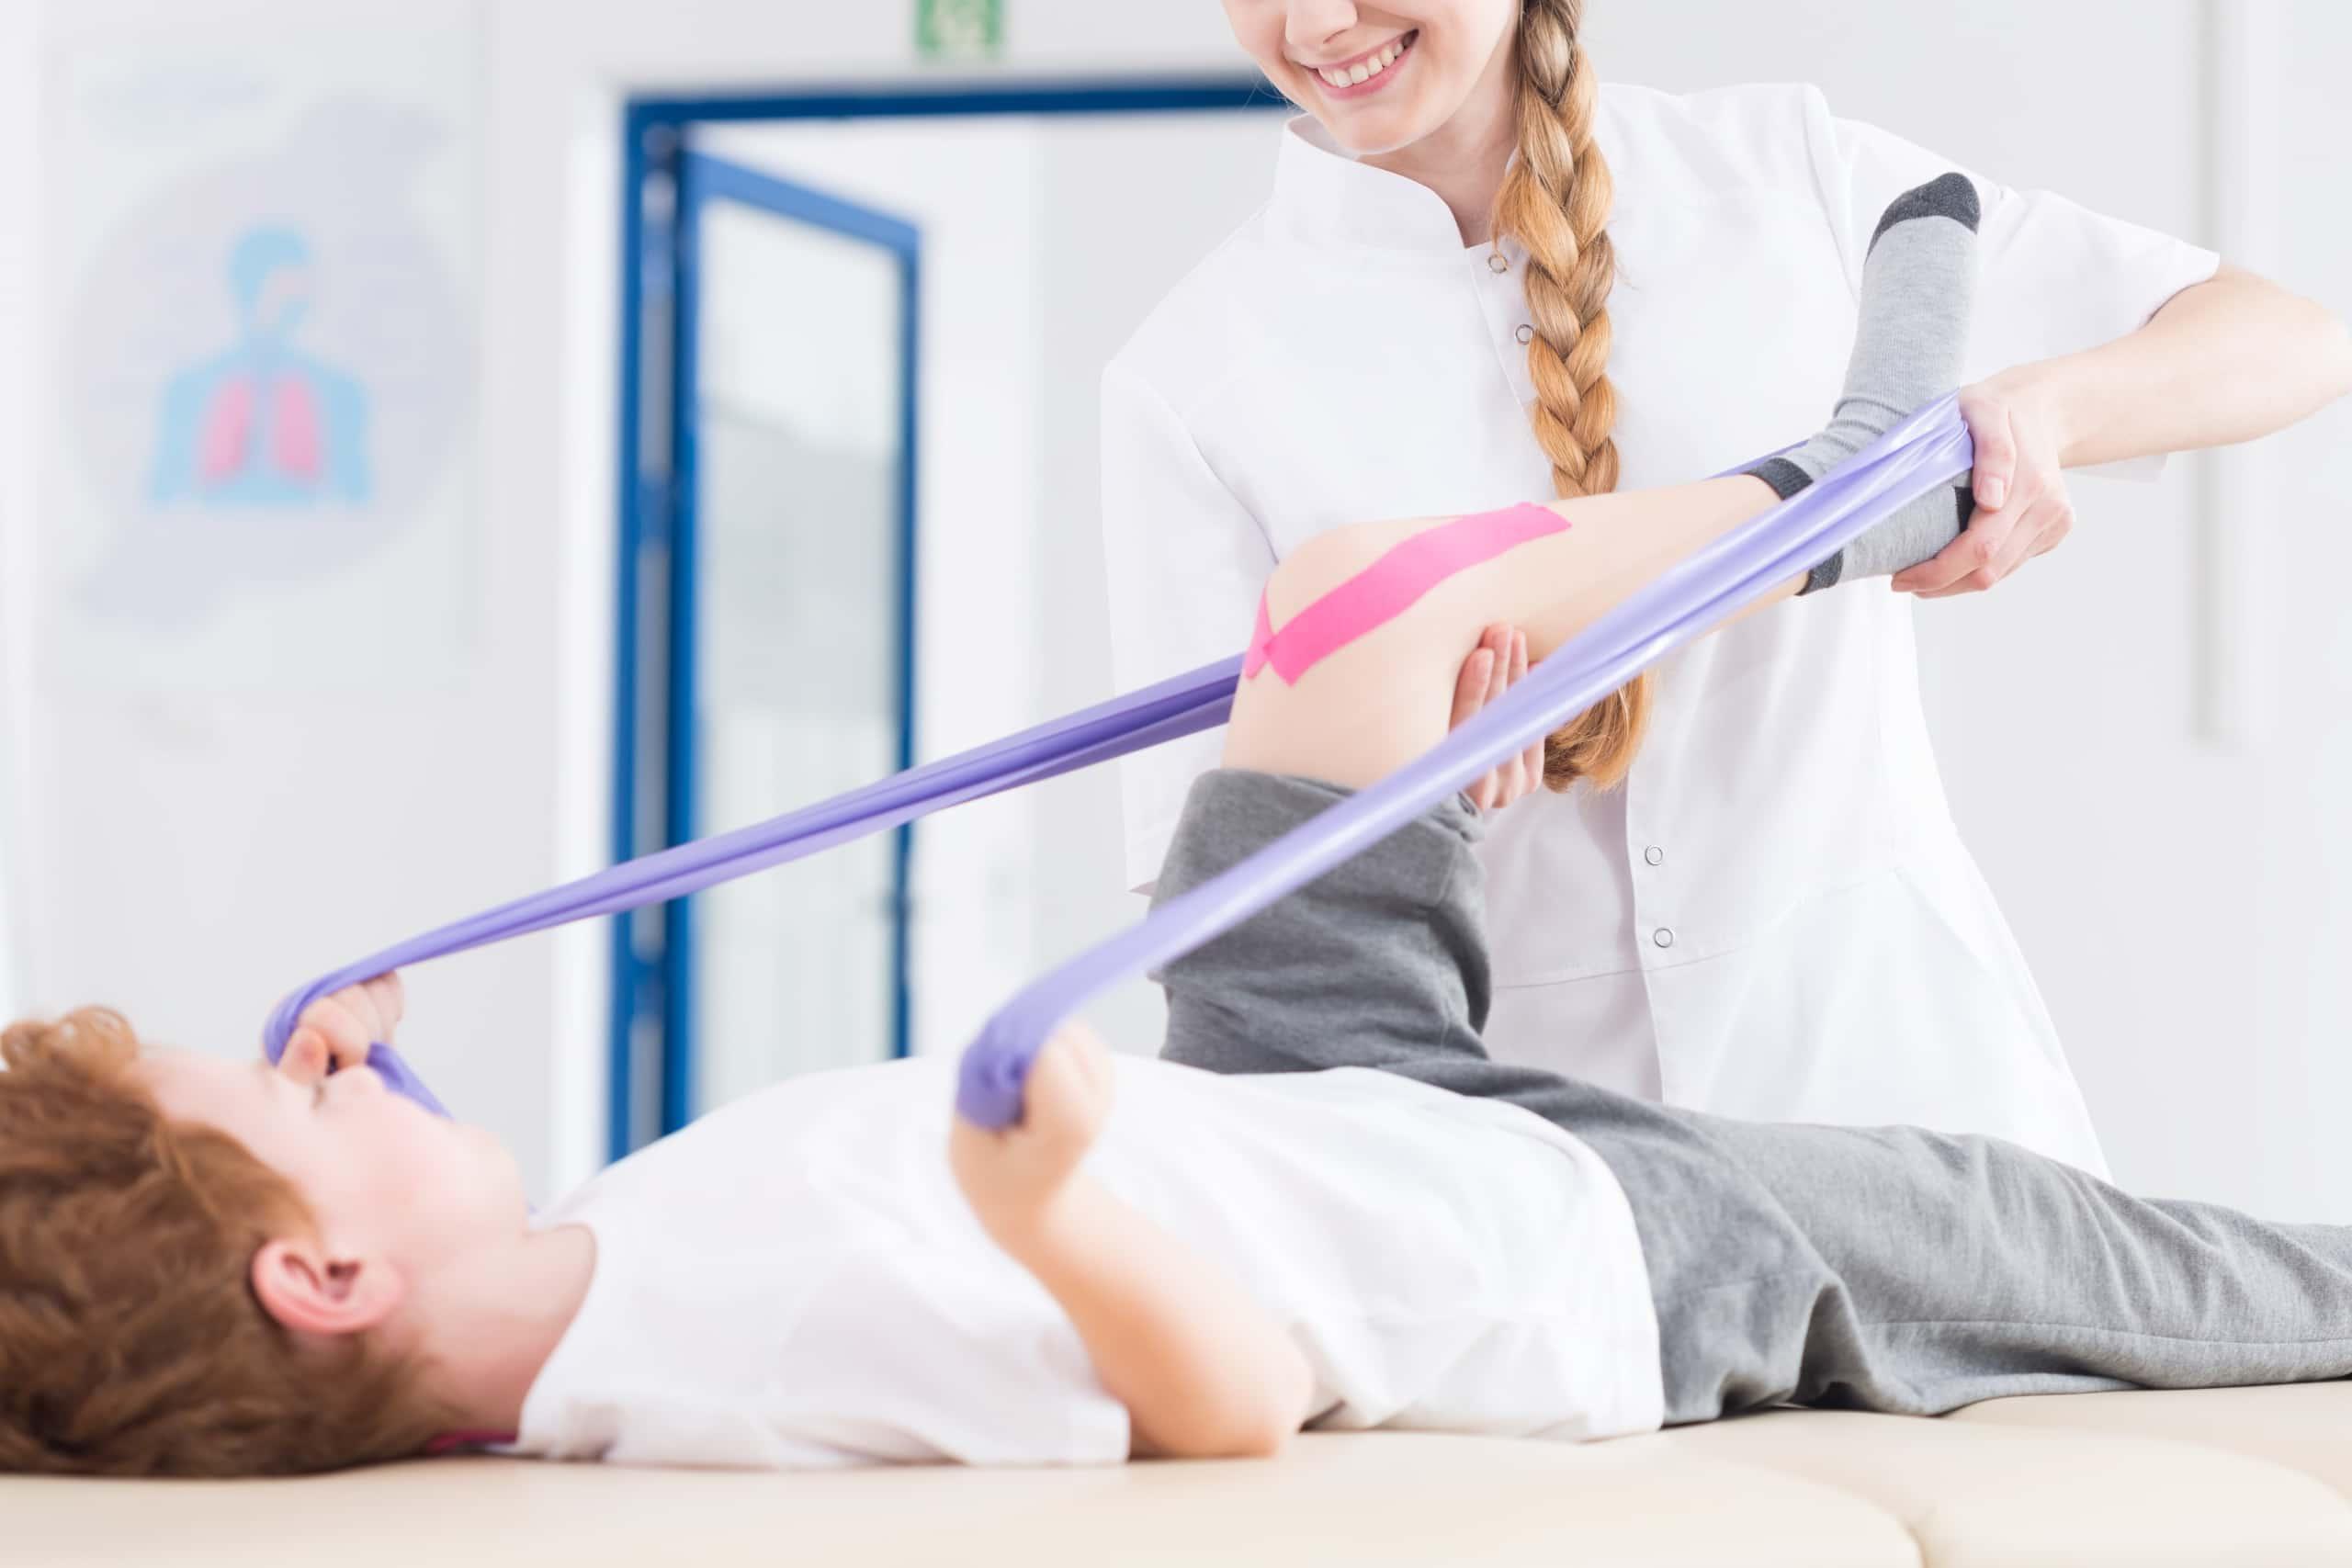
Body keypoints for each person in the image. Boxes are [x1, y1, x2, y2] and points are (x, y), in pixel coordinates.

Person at [7, 184, 2352, 1479]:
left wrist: (360, 1077)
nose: (324, 1054)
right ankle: (1854, 461)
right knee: (2106, 1256)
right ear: (320, 1282)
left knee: (1348, 591)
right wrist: (1046, 1204)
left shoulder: (572, 1296)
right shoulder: (744, 1332)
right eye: (293, 1092)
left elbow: (411, 1294)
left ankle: (1841, 466)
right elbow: (1214, 1403)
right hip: (1548, 1236)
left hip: (1301, 1094)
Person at [1104, 0, 2352, 1174]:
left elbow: (2289, 338)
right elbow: (1224, 905)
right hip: (1540, 1189)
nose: (1317, 24)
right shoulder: (1195, 370)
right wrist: (1404, 794)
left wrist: (2035, 413)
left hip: (1912, 1111)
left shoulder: (1785, 175)